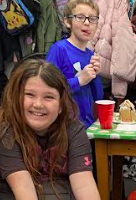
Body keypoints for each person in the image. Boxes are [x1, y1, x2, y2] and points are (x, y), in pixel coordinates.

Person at [0, 58, 122, 200]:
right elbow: (23, 187)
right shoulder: (6, 134)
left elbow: (83, 183)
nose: (38, 104)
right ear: (16, 97)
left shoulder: (74, 130)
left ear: (61, 104)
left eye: (49, 97)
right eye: (29, 95)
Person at [46, 0, 103, 129]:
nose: (87, 23)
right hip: (64, 127)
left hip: (87, 125)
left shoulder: (90, 54)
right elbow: (49, 90)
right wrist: (80, 80)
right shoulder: (59, 50)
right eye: (80, 17)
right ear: (67, 22)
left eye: (92, 19)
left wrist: (95, 75)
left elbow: (98, 96)